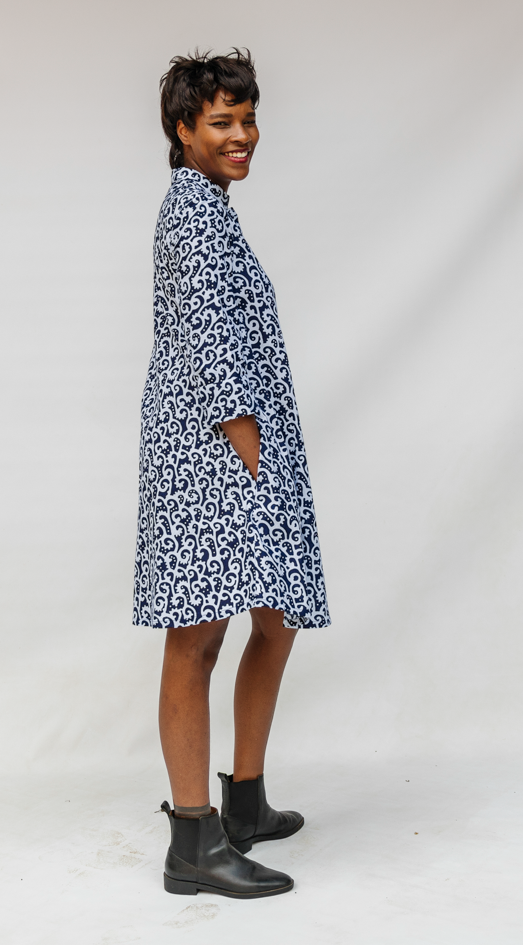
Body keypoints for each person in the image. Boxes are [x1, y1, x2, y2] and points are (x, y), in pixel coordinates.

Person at [133, 49, 330, 899]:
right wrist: (255, 469)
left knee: (275, 617)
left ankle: (242, 800)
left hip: (237, 454)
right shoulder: (189, 213)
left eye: (246, 119)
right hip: (213, 457)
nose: (242, 136)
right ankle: (192, 842)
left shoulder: (208, 208)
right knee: (197, 636)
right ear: (182, 130)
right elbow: (214, 359)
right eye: (221, 122)